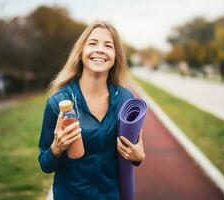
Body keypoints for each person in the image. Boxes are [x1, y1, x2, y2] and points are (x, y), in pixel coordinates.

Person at [38, 21, 145, 200]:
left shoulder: (126, 99)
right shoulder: (58, 102)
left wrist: (137, 157)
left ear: (115, 56)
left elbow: (132, 150)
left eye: (108, 46)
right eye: (93, 43)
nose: (100, 50)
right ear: (81, 52)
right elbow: (45, 164)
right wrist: (56, 148)